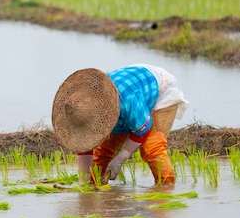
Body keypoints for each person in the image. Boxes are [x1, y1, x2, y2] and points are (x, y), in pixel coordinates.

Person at [51, 64, 188, 185]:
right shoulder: (83, 111)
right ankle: (97, 185)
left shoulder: (127, 100)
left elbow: (143, 129)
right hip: (128, 98)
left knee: (152, 147)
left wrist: (120, 159)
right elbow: (85, 146)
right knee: (103, 152)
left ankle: (165, 188)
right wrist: (85, 183)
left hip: (161, 90)